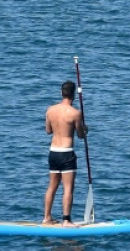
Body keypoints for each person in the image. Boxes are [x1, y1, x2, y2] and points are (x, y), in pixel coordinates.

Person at [43, 80, 88, 226]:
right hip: (66, 153)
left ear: (61, 93)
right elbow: (80, 135)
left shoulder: (50, 110)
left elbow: (48, 131)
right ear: (73, 95)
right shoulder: (75, 113)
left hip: (53, 152)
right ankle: (66, 220)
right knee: (68, 188)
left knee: (52, 187)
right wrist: (85, 130)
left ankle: (46, 218)